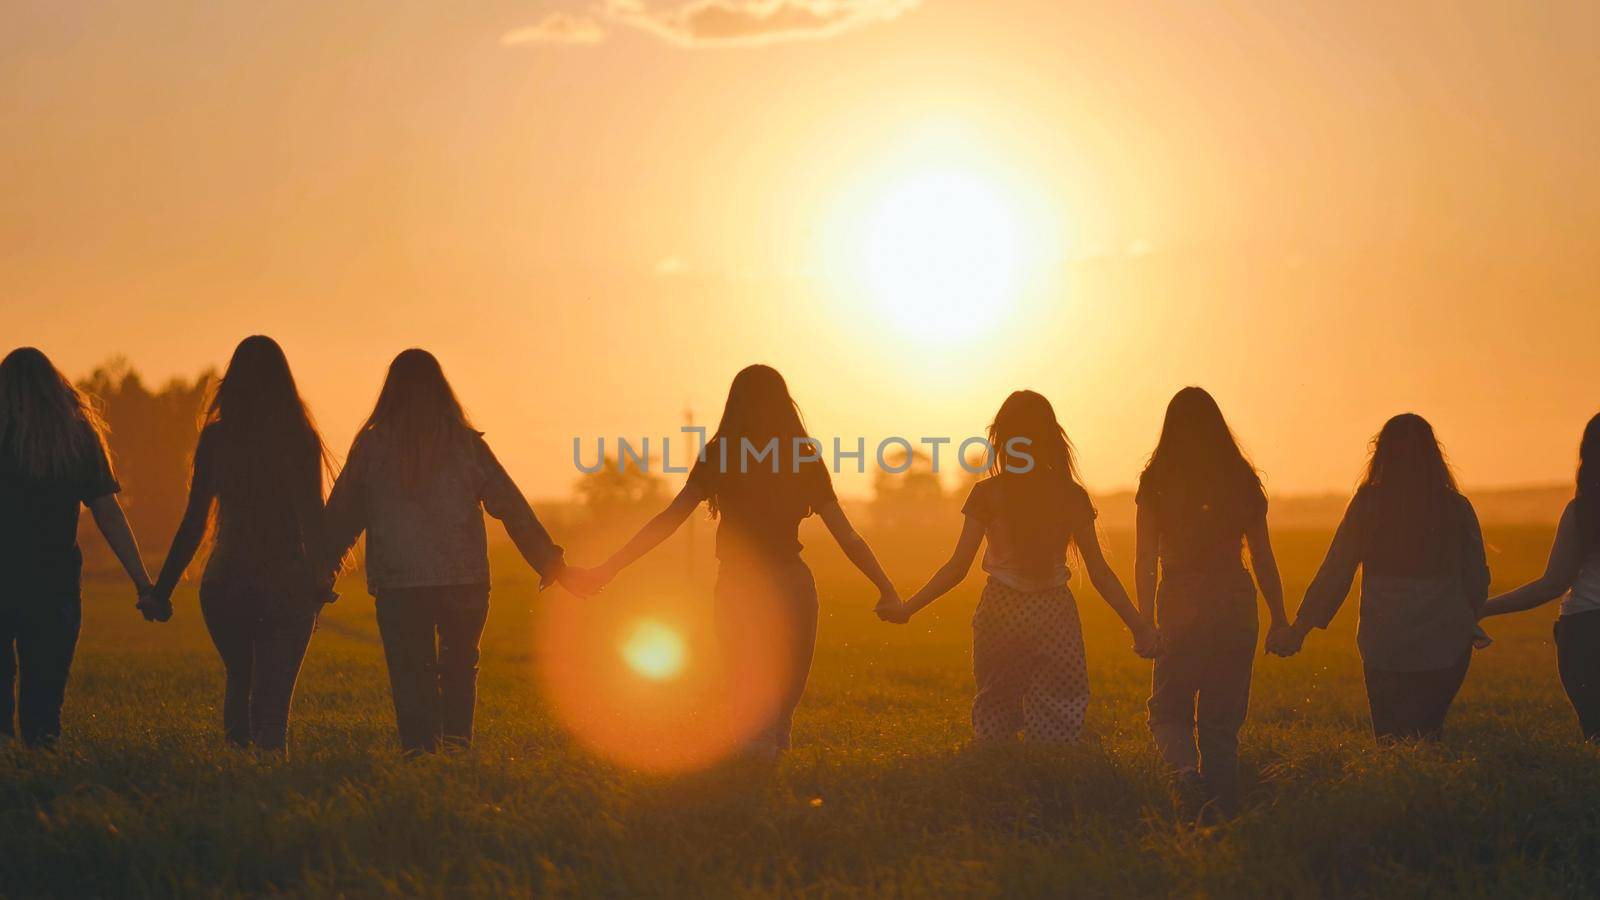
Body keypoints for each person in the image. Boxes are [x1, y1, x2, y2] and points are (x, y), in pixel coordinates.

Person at [577, 364, 898, 759]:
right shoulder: (803, 458)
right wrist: (885, 588)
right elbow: (847, 535)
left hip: (738, 586)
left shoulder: (721, 455)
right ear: (785, 405)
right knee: (779, 712)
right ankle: (763, 791)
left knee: (753, 703)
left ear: (735, 405)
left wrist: (608, 568)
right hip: (792, 586)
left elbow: (669, 520)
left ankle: (752, 790)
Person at [324, 349, 585, 754]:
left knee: (411, 673)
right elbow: (511, 507)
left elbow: (341, 517)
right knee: (460, 669)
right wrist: (552, 563)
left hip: (399, 582)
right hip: (464, 580)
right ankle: (456, 750)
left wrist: (316, 571)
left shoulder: (372, 447)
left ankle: (418, 754)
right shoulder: (466, 446)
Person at [881, 390, 1159, 744]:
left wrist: (908, 607)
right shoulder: (1071, 496)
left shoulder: (988, 493)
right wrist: (1139, 627)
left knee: (995, 711)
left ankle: (997, 783)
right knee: (1059, 715)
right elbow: (1099, 572)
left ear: (1002, 440)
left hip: (1000, 609)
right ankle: (1050, 781)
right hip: (1055, 612)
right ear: (1052, 438)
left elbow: (957, 567)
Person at [145, 336, 332, 753]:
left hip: (226, 582)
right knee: (273, 698)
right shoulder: (300, 438)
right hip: (286, 581)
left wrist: (162, 591)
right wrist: (321, 575)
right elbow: (311, 517)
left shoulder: (216, 439)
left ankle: (236, 769)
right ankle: (265, 776)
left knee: (241, 678)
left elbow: (194, 523)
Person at [1273, 414, 1489, 742]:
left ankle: (1389, 789)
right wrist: (1468, 618)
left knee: (1389, 739)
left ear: (1381, 453)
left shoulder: (1368, 505)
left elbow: (1336, 570)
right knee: (1427, 736)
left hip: (1386, 643)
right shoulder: (1455, 507)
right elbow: (1477, 578)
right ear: (1434, 454)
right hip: (1446, 642)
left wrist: (1299, 629)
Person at [1135, 387, 1287, 812]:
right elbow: (1262, 557)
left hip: (1180, 595)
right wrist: (1279, 618)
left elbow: (1145, 557)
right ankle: (1225, 815)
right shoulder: (1242, 480)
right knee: (1221, 724)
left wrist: (1144, 621)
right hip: (1235, 599)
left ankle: (1185, 779)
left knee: (1167, 711)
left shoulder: (1157, 481)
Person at [0, 348, 155, 747]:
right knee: (44, 709)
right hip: (54, 587)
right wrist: (143, 582)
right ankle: (43, 790)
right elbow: (109, 514)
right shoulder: (77, 436)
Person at [1479, 413, 1600, 740]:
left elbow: (1552, 584)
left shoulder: (1582, 511)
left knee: (1595, 736)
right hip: (1583, 631)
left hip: (1586, 632)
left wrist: (1483, 608)